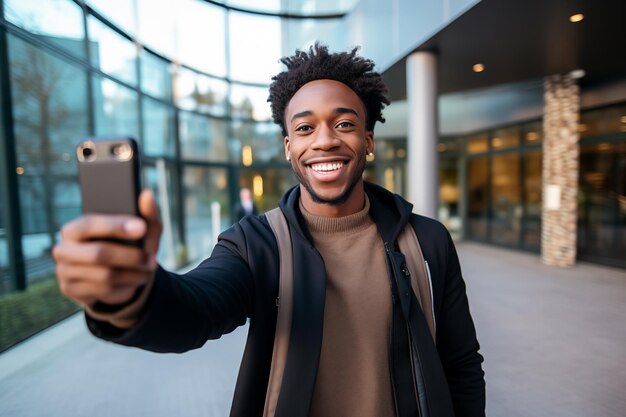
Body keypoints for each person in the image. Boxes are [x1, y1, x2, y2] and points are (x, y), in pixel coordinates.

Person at [53, 42, 485, 417]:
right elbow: (196, 310)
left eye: (345, 123)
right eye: (304, 128)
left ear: (368, 140)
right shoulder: (254, 245)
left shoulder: (427, 241)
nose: (324, 140)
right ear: (288, 148)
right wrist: (132, 295)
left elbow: (462, 363)